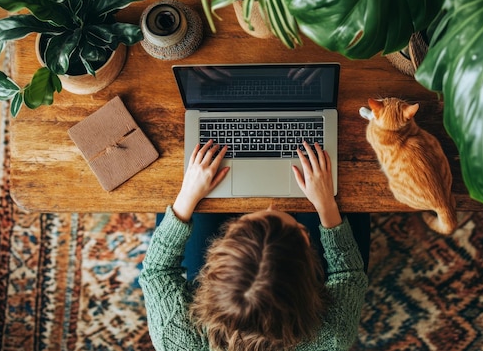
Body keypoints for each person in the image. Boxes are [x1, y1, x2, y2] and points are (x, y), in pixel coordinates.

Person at [140, 139, 370, 350]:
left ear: (217, 258)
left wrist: (188, 195)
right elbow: (348, 273)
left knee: (189, 193)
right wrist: (326, 204)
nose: (270, 206)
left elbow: (157, 270)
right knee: (343, 188)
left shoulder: (174, 340)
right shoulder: (333, 336)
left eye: (242, 220)